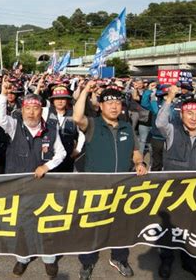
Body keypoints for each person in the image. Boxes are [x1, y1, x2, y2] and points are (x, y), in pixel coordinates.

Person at [73, 81, 147, 280]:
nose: (114, 106)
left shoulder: (127, 127)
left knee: (121, 226)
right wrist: (86, 91)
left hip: (122, 188)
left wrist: (140, 164)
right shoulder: (92, 124)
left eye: (117, 102)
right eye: (109, 102)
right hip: (95, 189)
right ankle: (87, 263)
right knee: (91, 227)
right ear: (101, 106)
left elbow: (136, 153)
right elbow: (77, 116)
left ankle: (119, 258)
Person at [0, 77, 66, 278]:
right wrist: (2, 95)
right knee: (21, 224)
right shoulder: (14, 126)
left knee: (45, 223)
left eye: (36, 108)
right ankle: (22, 258)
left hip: (43, 187)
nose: (31, 112)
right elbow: (0, 117)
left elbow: (60, 153)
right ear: (22, 110)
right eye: (28, 108)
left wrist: (47, 165)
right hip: (19, 188)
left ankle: (49, 259)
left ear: (41, 110)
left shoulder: (51, 130)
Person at [156, 85, 196, 280]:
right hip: (172, 192)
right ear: (182, 115)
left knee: (191, 227)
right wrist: (169, 98)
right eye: (189, 113)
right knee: (168, 227)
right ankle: (166, 259)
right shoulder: (172, 131)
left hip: (195, 194)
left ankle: (190, 261)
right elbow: (159, 122)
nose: (193, 117)